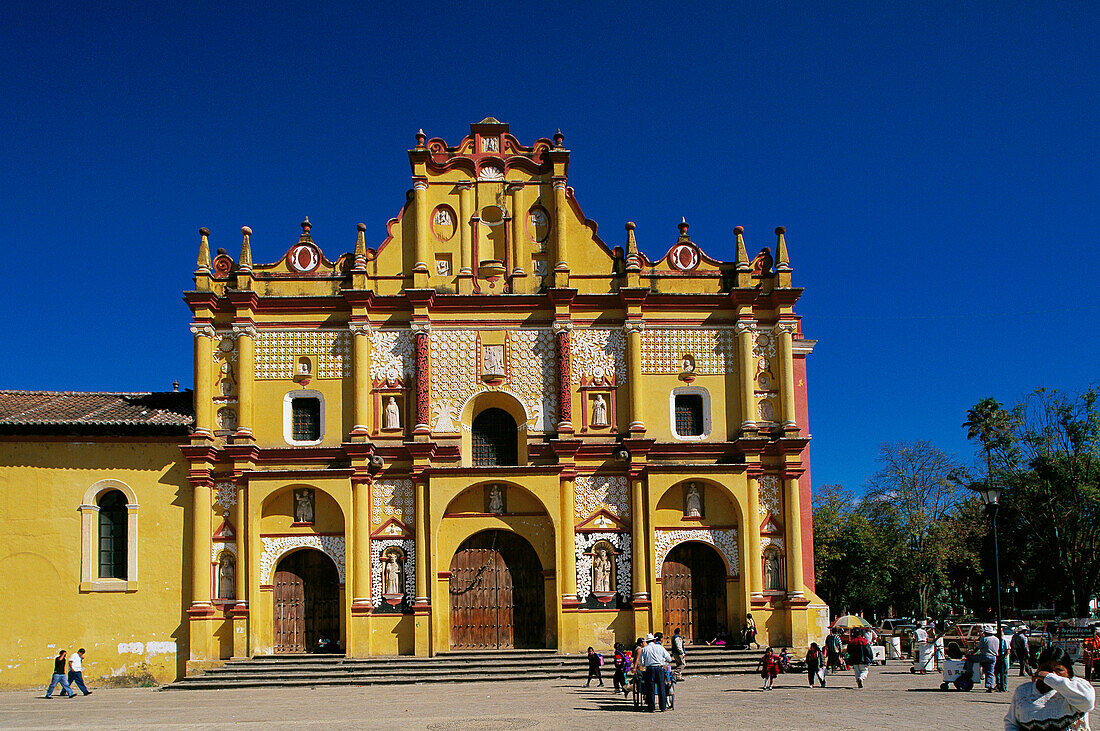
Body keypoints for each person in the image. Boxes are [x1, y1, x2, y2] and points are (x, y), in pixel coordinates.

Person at [1005, 646, 1095, 730]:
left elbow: (1087, 701)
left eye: (1059, 670)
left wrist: (1049, 678)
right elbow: (1012, 723)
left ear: (1068, 671)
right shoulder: (1024, 691)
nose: (1052, 674)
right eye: (1046, 669)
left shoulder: (1076, 687)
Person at [636, 632, 673, 712]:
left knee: (650, 688)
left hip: (650, 669)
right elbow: (669, 658)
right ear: (654, 640)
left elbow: (641, 661)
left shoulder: (645, 649)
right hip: (659, 668)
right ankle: (662, 707)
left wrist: (645, 664)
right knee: (661, 688)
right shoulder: (660, 648)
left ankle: (651, 707)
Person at [973, 624, 1003, 693]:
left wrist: (972, 653)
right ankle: (990, 686)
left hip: (985, 656)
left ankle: (969, 671)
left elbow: (978, 648)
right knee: (990, 672)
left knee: (971, 659)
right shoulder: (996, 639)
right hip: (993, 657)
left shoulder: (984, 639)